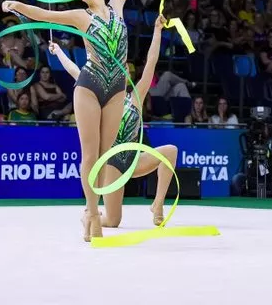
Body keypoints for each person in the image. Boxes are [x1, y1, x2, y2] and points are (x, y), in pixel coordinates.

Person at [1, 0, 159, 241]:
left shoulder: (117, 8)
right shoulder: (80, 16)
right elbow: (45, 15)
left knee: (104, 154)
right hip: (90, 84)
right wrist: (17, 6)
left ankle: (92, 211)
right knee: (90, 153)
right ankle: (91, 212)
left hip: (116, 89)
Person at [48, 15, 176, 228]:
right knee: (113, 221)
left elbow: (151, 63)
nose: (122, 71)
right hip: (112, 163)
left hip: (133, 160)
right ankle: (90, 214)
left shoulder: (136, 96)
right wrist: (59, 51)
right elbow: (75, 72)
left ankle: (158, 203)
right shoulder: (101, 98)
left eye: (125, 69)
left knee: (170, 152)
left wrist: (157, 30)